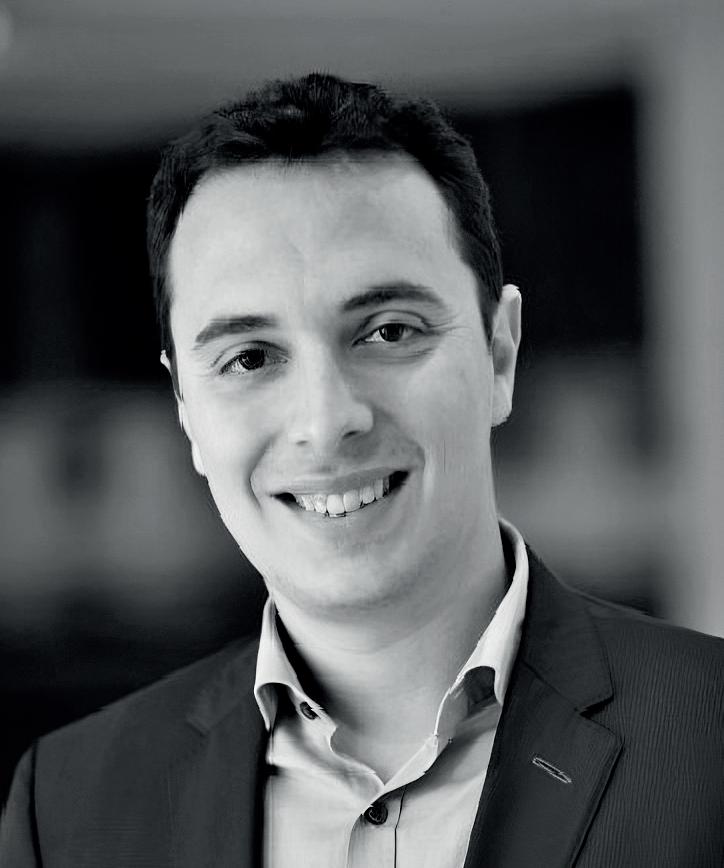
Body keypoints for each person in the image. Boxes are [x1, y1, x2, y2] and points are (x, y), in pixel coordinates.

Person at [1, 72, 722, 868]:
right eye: (250, 358)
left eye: (388, 332)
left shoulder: (709, 738)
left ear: (500, 353)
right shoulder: (68, 809)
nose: (326, 419)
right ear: (184, 406)